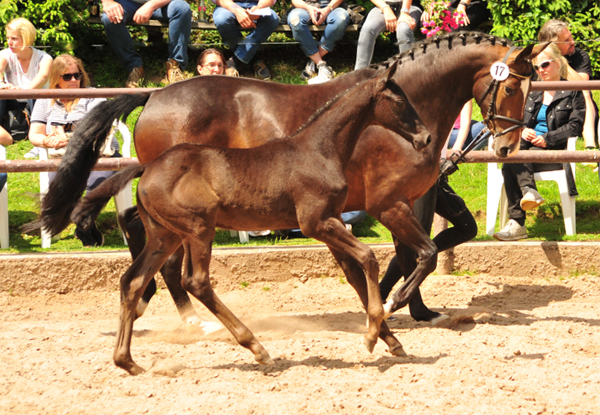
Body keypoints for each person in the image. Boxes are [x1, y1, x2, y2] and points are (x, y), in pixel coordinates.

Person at [493, 44, 585, 241]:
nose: (540, 70)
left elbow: (575, 127)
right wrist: (523, 129)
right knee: (515, 148)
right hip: (526, 144)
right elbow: (516, 119)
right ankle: (529, 191)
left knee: (511, 158)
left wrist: (547, 138)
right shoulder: (531, 89)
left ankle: (517, 221)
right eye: (536, 67)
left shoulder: (572, 91)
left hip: (554, 147)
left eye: (544, 65)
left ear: (557, 63)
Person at [28, 55, 121, 247]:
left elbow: (97, 131)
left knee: (97, 184)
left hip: (97, 153)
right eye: (67, 76)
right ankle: (84, 222)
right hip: (62, 156)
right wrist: (48, 140)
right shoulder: (46, 100)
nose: (74, 81)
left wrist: (68, 139)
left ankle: (83, 222)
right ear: (56, 78)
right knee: (61, 186)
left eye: (77, 75)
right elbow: (34, 134)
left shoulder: (92, 95)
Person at [380, 140, 477, 323]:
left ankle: (382, 292)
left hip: (434, 175)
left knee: (467, 228)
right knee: (417, 246)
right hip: (419, 174)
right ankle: (391, 297)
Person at [101, 0, 192, 87]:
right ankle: (134, 67)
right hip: (127, 3)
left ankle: (175, 66)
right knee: (109, 19)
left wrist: (151, 5)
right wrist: (108, 2)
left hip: (163, 5)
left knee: (182, 8)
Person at [538, 19, 598, 151]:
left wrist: (559, 60)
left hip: (575, 104)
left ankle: (590, 144)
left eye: (571, 37)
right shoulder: (540, 60)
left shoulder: (580, 56)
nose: (573, 42)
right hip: (550, 105)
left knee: (585, 92)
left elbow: (582, 84)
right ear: (553, 44)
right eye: (566, 40)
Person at [0, 17, 52, 161]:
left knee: (38, 94)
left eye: (14, 38)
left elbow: (42, 77)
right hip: (13, 103)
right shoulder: (5, 54)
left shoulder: (44, 58)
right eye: (8, 38)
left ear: (27, 38)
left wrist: (22, 91)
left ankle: (38, 140)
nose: (9, 42)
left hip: (35, 103)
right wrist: (2, 84)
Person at [212, 0, 279, 80]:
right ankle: (253, 58)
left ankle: (234, 61)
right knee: (221, 19)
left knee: (272, 19)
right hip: (229, 6)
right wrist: (237, 10)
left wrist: (259, 7)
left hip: (256, 5)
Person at [288, 0, 351, 84]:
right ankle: (320, 63)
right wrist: (308, 8)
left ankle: (313, 61)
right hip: (305, 8)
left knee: (341, 18)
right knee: (295, 19)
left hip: (334, 7)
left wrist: (328, 9)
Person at [355, 0, 423, 70]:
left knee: (403, 29)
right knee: (368, 29)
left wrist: (404, 12)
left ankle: (408, 72)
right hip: (382, 5)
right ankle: (359, 74)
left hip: (410, 7)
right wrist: (385, 8)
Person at [421, 0, 489, 32]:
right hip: (448, 3)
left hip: (472, 4)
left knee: (457, 27)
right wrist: (430, 4)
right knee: (426, 22)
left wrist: (463, 5)